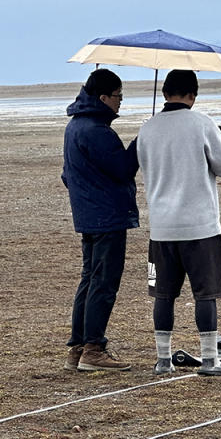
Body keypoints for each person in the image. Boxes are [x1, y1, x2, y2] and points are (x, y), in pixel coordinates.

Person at [135, 69, 221, 376]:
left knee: (163, 294)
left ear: (165, 93)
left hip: (162, 227)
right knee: (206, 294)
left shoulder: (147, 129)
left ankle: (163, 359)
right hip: (201, 226)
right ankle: (209, 359)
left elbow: (143, 164)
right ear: (193, 95)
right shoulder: (203, 123)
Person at [61, 68, 137, 371]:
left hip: (89, 215)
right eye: (118, 96)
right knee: (103, 283)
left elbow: (67, 176)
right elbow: (123, 169)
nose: (121, 103)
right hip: (107, 218)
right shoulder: (97, 131)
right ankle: (93, 347)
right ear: (103, 97)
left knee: (89, 279)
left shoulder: (76, 127)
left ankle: (78, 347)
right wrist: (140, 144)